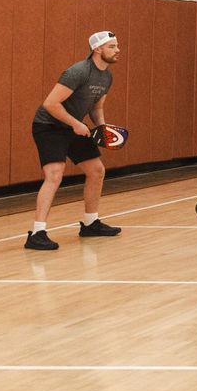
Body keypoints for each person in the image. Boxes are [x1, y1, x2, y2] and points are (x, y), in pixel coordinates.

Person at [24, 31, 123, 251]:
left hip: (74, 126)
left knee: (97, 170)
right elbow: (50, 104)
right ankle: (37, 233)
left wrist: (102, 129)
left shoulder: (106, 76)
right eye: (112, 46)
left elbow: (96, 107)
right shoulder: (77, 72)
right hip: (49, 126)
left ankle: (90, 223)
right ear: (97, 49)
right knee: (54, 175)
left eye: (117, 46)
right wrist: (76, 124)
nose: (118, 50)